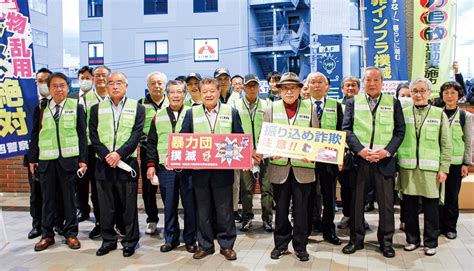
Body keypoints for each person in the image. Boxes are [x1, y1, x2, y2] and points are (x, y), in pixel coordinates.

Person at [342, 67, 405, 258]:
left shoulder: (393, 102)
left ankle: (386, 242)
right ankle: (356, 240)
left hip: (384, 161)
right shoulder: (353, 102)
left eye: (376, 80)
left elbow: (400, 131)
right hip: (360, 161)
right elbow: (347, 130)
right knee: (357, 203)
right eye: (368, 80)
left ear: (382, 82)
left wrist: (387, 151)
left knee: (386, 205)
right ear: (364, 82)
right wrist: (360, 150)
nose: (372, 83)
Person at [180, 77, 244, 261]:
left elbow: (239, 138)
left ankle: (226, 246)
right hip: (199, 172)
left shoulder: (230, 111)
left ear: (218, 92)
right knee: (203, 210)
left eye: (212, 91)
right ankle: (205, 245)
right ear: (199, 93)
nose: (208, 95)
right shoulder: (192, 113)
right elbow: (184, 140)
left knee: (224, 210)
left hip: (223, 172)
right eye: (204, 91)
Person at [28, 72, 87, 251]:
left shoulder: (76, 106)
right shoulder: (41, 107)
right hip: (46, 161)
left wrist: (83, 160)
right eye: (54, 86)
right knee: (48, 200)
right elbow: (35, 134)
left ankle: (70, 234)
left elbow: (82, 134)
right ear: (49, 88)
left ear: (68, 88)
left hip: (69, 161)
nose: (58, 89)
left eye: (62, 85)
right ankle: (47, 235)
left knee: (69, 200)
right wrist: (32, 159)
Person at [89, 72, 145, 257]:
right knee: (106, 207)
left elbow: (136, 135)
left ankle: (130, 241)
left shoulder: (137, 107)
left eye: (119, 82)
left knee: (128, 207)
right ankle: (108, 240)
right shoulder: (97, 109)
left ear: (126, 86)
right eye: (111, 83)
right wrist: (108, 156)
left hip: (126, 164)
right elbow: (94, 136)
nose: (114, 86)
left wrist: (119, 154)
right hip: (103, 164)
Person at [265, 72, 318, 262]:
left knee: (302, 211)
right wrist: (270, 151)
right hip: (280, 168)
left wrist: (310, 154)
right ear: (279, 90)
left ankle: (300, 246)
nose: (289, 91)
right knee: (280, 210)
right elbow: (265, 138)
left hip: (302, 168)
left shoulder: (309, 108)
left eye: (293, 88)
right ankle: (280, 245)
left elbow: (316, 136)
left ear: (299, 90)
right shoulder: (271, 108)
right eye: (285, 88)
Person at [397, 78, 451, 256]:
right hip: (408, 167)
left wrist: (444, 168)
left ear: (429, 93)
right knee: (410, 207)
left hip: (431, 170)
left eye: (422, 91)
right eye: (414, 91)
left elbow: (446, 144)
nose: (418, 94)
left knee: (431, 208)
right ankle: (412, 240)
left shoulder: (438, 113)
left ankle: (431, 242)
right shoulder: (403, 113)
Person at [145, 80, 197, 253]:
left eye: (179, 92)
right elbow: (151, 143)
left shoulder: (193, 113)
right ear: (167, 95)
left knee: (190, 204)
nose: (175, 95)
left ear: (185, 94)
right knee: (169, 204)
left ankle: (190, 239)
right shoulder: (158, 116)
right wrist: (151, 165)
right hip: (165, 168)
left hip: (189, 167)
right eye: (172, 92)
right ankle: (171, 238)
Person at [233, 74, 273, 232]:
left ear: (258, 87)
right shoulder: (235, 105)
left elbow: (271, 128)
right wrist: (249, 151)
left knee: (267, 188)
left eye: (254, 85)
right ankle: (247, 217)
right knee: (246, 189)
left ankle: (267, 219)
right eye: (248, 85)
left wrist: (262, 150)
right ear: (243, 87)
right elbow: (234, 131)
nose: (251, 88)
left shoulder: (267, 104)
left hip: (265, 153)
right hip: (244, 153)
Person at [307, 72, 343, 245]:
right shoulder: (302, 106)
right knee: (307, 195)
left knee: (329, 197)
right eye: (313, 82)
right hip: (306, 160)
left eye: (320, 82)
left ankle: (329, 230)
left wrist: (341, 156)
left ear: (327, 86)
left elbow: (342, 132)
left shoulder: (336, 106)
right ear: (307, 86)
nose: (317, 85)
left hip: (329, 159)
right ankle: (307, 227)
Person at [79, 65, 112, 239]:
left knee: (113, 188)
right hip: (92, 150)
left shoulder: (115, 97)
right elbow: (82, 128)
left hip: (112, 151)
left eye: (104, 75)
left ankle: (116, 221)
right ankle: (100, 222)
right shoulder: (84, 100)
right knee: (97, 189)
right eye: (97, 75)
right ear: (92, 78)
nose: (100, 78)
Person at [438, 81, 472, 240]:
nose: (449, 96)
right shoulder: (437, 113)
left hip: (456, 163)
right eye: (446, 93)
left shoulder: (465, 116)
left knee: (452, 196)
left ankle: (450, 227)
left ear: (459, 95)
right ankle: (437, 225)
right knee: (437, 196)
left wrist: (466, 163)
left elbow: (468, 140)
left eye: (453, 93)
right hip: (438, 162)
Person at [138, 71, 169, 235]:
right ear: (148, 86)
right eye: (153, 83)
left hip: (168, 153)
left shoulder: (172, 102)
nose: (156, 86)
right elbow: (135, 128)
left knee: (168, 187)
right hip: (147, 152)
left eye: (159, 83)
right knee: (149, 188)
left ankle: (170, 220)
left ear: (164, 85)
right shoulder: (140, 104)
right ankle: (151, 219)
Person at [24, 68, 52, 239]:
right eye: (39, 81)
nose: (42, 84)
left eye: (45, 81)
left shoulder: (60, 102)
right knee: (36, 194)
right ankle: (37, 225)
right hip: (35, 157)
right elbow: (32, 133)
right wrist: (32, 157)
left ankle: (55, 223)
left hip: (55, 157)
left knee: (54, 193)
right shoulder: (30, 103)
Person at [214, 67, 242, 222]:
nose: (223, 81)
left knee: (235, 180)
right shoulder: (212, 96)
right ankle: (219, 211)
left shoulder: (237, 97)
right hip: (215, 146)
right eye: (220, 78)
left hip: (233, 145)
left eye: (225, 78)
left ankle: (234, 209)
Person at [336, 76, 360, 230]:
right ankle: (347, 215)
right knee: (345, 187)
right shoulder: (337, 105)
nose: (350, 88)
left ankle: (359, 217)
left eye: (354, 85)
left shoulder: (364, 105)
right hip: (343, 153)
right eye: (347, 85)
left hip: (361, 152)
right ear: (342, 89)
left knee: (360, 188)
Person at [73, 66, 95, 223]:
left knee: (96, 180)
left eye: (88, 77)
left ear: (93, 80)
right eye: (82, 78)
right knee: (80, 180)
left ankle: (99, 210)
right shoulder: (71, 99)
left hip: (94, 146)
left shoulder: (100, 98)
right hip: (78, 147)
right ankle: (82, 209)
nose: (85, 80)